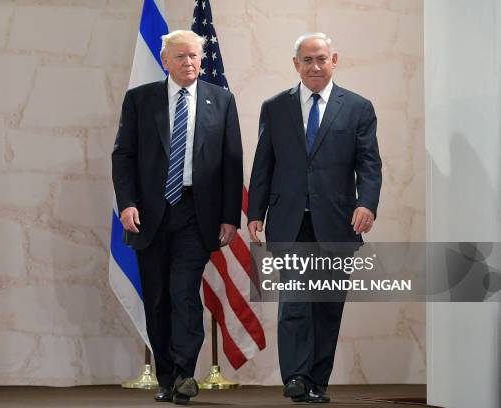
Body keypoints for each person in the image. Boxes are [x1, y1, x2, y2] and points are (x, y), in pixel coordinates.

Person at [247, 32, 382, 403]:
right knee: (295, 299)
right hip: (290, 220)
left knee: (326, 305)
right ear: (296, 65)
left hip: (337, 222)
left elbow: (369, 164)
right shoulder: (275, 107)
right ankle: (295, 377)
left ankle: (317, 381)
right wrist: (255, 212)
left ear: (334, 60)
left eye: (321, 58)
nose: (315, 66)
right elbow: (264, 164)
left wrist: (367, 204)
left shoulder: (357, 107)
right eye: (307, 60)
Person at [112, 30, 243, 405]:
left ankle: (186, 371)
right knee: (156, 299)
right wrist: (127, 203)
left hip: (196, 213)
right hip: (149, 214)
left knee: (183, 291)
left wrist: (229, 216)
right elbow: (123, 156)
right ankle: (167, 377)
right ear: (165, 60)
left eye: (195, 57)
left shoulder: (222, 100)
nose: (190, 63)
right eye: (181, 57)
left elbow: (232, 164)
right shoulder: (140, 100)